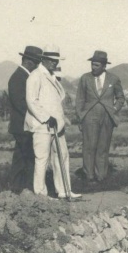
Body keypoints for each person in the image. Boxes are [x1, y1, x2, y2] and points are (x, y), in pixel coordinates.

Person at [24, 44, 80, 199]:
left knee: (62, 156)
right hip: (42, 126)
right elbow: (31, 101)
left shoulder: (52, 76)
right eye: (51, 60)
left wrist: (62, 118)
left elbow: (55, 102)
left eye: (56, 60)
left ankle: (64, 190)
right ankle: (41, 194)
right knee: (42, 158)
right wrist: (46, 118)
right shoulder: (35, 76)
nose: (54, 63)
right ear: (43, 59)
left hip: (57, 126)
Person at [75, 50, 125, 182]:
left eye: (96, 65)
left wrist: (114, 109)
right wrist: (81, 117)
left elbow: (120, 98)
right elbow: (80, 99)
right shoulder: (85, 78)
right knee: (89, 147)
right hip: (89, 116)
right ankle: (89, 176)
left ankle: (101, 177)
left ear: (104, 66)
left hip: (107, 117)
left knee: (103, 147)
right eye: (92, 64)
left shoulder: (113, 79)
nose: (93, 67)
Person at [7, 45, 43, 193]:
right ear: (29, 62)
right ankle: (18, 187)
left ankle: (22, 187)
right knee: (22, 158)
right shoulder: (18, 78)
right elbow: (21, 104)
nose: (38, 66)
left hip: (25, 124)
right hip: (22, 125)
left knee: (25, 157)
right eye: (37, 63)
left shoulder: (23, 76)